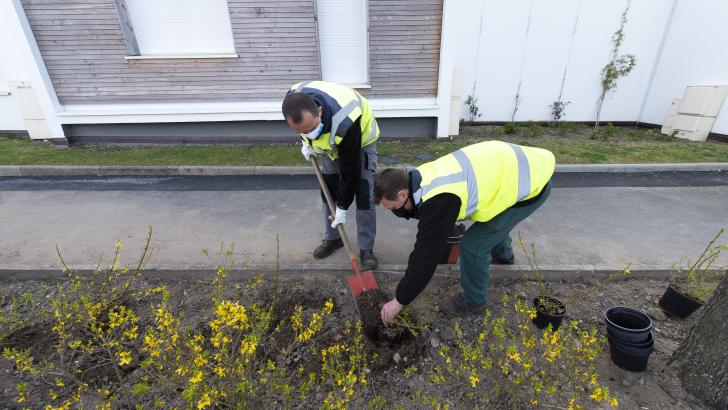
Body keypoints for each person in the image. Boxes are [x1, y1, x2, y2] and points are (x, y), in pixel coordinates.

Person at [373, 140, 555, 325]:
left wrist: (399, 300)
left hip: (529, 186)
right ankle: (504, 256)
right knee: (490, 219)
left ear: (403, 194)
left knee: (473, 246)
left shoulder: (440, 200)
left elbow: (425, 257)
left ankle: (474, 302)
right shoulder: (420, 177)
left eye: (393, 207)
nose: (396, 212)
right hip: (509, 171)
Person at [282, 80, 380, 270]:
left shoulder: (346, 120)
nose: (310, 134)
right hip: (330, 146)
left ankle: (366, 250)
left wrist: (343, 208)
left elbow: (350, 172)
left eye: (311, 129)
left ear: (318, 111)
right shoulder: (292, 101)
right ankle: (334, 238)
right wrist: (307, 143)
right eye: (303, 132)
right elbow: (305, 128)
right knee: (328, 190)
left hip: (359, 144)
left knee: (363, 193)